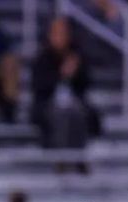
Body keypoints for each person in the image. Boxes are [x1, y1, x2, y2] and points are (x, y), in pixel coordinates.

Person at [31, 17, 95, 172]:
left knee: (78, 112)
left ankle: (79, 157)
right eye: (56, 33)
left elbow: (86, 85)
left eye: (63, 33)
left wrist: (75, 73)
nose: (60, 37)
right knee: (62, 114)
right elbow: (39, 87)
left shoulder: (78, 57)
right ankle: (62, 158)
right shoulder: (42, 58)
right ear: (50, 35)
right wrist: (62, 73)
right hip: (49, 103)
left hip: (74, 101)